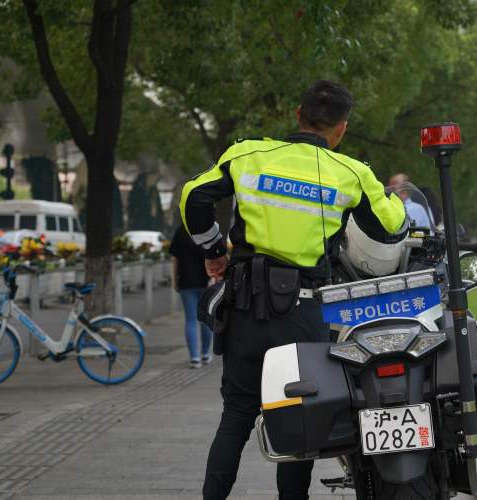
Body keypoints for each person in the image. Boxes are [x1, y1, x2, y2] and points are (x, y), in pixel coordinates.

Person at [180, 80, 406, 500]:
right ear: (341, 129)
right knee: (298, 420)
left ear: (297, 115)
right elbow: (391, 226)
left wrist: (212, 250)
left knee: (236, 417)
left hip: (246, 308)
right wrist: (392, 198)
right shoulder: (352, 173)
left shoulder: (247, 154)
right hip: (302, 316)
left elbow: (193, 197)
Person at [168, 224, 213, 368]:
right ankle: (206, 354)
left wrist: (174, 280)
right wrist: (213, 278)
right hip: (207, 282)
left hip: (186, 282)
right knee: (206, 319)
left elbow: (175, 258)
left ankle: (194, 358)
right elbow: (214, 255)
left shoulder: (180, 230)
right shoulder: (207, 227)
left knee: (191, 320)